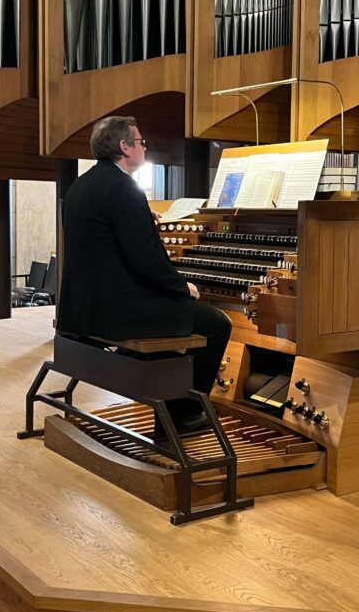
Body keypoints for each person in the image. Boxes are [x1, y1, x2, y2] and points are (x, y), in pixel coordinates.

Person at [57, 115, 232, 435]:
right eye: (141, 142)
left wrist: (139, 216)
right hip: (118, 311)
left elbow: (107, 240)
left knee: (181, 320)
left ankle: (168, 402)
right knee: (216, 324)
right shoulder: (125, 189)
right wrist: (182, 287)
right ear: (125, 146)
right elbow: (147, 262)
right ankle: (187, 413)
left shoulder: (82, 185)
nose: (145, 147)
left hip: (85, 306)